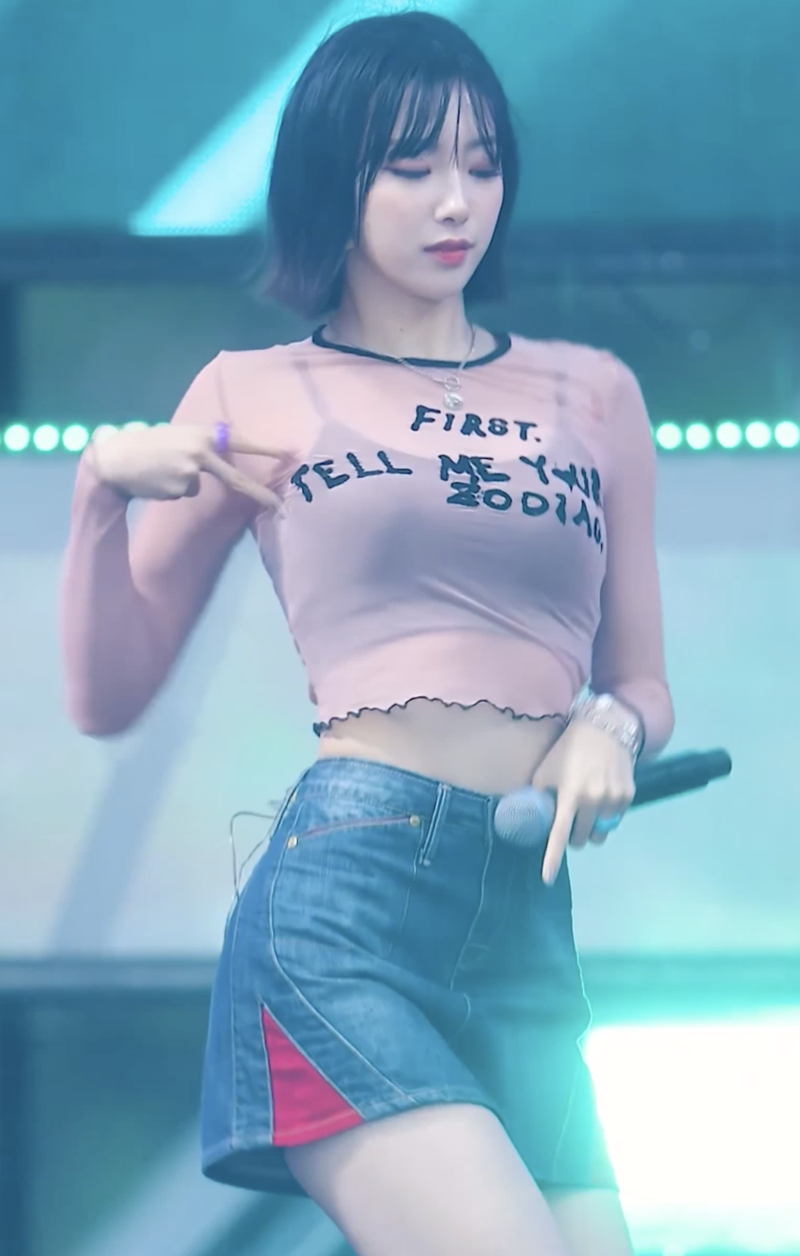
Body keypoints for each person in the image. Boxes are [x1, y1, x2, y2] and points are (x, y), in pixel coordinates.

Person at [59, 10, 674, 1256]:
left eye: (481, 164)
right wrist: (97, 498)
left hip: (525, 914)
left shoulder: (590, 393)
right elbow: (108, 693)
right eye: (410, 166)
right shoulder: (251, 394)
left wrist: (606, 726)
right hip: (347, 900)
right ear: (333, 179)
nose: (455, 201)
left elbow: (641, 680)